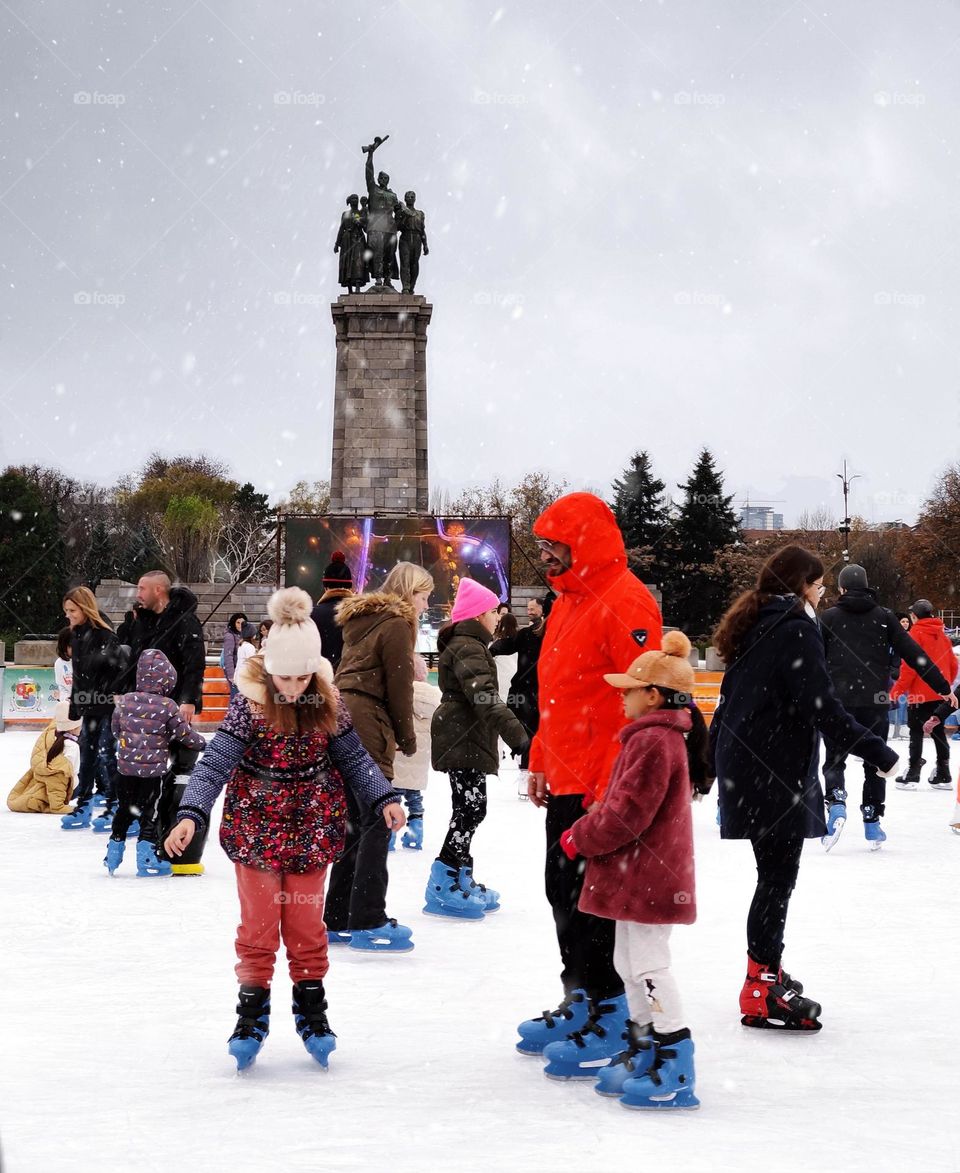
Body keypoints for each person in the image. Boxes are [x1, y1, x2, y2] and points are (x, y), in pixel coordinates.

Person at [163, 587, 405, 1072]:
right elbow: (214, 765)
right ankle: (250, 1016)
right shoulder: (248, 705)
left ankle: (312, 1012)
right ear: (268, 668)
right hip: (256, 828)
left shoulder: (327, 701)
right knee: (257, 928)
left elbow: (354, 758)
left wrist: (384, 797)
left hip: (312, 827)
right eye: (284, 677)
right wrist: (191, 813)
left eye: (302, 677)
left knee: (305, 926)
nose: (293, 688)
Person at [710, 546, 899, 1031]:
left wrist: (710, 762)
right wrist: (878, 751)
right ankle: (762, 985)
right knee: (776, 880)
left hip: (749, 766)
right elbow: (822, 707)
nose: (821, 591)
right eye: (817, 583)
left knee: (771, 877)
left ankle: (763, 969)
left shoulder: (755, 622)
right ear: (802, 584)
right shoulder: (795, 627)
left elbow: (728, 700)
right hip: (775, 770)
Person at [516, 493, 663, 1060]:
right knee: (563, 890)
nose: (546, 556)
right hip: (567, 776)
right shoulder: (564, 603)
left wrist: (611, 787)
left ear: (584, 544)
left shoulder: (626, 602)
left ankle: (611, 1010)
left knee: (592, 898)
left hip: (603, 783)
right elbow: (558, 694)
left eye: (554, 545)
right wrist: (539, 759)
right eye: (543, 546)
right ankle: (580, 995)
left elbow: (639, 703)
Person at [549, 632, 708, 1109]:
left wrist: (581, 835)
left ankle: (675, 1057)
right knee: (627, 963)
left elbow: (627, 815)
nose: (621, 697)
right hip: (634, 874)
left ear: (653, 694)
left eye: (628, 690)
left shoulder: (656, 740)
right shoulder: (651, 738)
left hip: (650, 876)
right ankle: (643, 1044)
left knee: (649, 965)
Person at [324, 561, 433, 953]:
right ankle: (368, 918)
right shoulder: (397, 623)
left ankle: (336, 917)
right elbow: (400, 684)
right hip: (368, 720)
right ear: (408, 592)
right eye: (423, 596)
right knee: (376, 818)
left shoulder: (363, 620)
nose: (425, 605)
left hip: (342, 715)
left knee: (355, 820)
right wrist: (406, 736)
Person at [820, 565, 955, 849]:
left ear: (842, 589)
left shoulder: (829, 618)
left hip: (838, 703)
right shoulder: (884, 618)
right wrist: (943, 688)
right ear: (867, 586)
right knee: (876, 762)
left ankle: (836, 802)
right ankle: (872, 818)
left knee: (834, 758)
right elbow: (915, 656)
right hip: (875, 703)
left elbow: (813, 661)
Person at [426, 579, 529, 919]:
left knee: (470, 808)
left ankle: (460, 876)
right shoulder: (468, 645)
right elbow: (484, 698)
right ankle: (442, 882)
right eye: (492, 612)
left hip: (466, 733)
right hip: (462, 735)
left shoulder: (471, 643)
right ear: (479, 614)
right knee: (470, 810)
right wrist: (520, 736)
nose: (497, 618)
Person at [104, 649, 206, 877]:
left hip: (126, 770)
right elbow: (184, 735)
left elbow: (114, 729)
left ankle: (113, 852)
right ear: (167, 680)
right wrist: (203, 744)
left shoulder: (125, 701)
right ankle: (146, 857)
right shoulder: (167, 706)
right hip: (152, 774)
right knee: (150, 812)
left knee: (124, 809)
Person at [60, 586, 126, 831]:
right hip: (89, 706)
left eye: (72, 610)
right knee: (87, 757)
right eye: (66, 611)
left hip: (107, 706)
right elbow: (79, 675)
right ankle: (84, 803)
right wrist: (76, 706)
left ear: (85, 608)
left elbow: (118, 672)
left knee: (107, 754)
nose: (68, 615)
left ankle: (115, 805)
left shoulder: (105, 635)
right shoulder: (76, 636)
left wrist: (108, 696)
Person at [891, 599, 957, 789]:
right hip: (939, 693)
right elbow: (953, 664)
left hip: (919, 694)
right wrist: (945, 687)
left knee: (916, 732)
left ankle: (913, 772)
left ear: (914, 616)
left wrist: (895, 692)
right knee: (938, 732)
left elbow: (909, 669)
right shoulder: (942, 635)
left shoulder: (914, 634)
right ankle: (944, 773)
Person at [127, 572, 206, 722]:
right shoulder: (142, 622)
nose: (138, 595)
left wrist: (188, 699)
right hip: (143, 704)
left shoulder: (185, 621)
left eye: (142, 589)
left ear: (158, 590)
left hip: (173, 703)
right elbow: (134, 661)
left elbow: (195, 663)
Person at [489, 596, 549, 788]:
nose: (529, 611)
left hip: (544, 691)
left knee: (536, 732)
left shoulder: (554, 633)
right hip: (526, 691)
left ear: (543, 610)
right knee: (527, 731)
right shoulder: (526, 634)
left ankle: (530, 767)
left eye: (533, 608)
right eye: (528, 608)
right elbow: (508, 645)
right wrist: (492, 650)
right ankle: (525, 768)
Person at [390, 653, 440, 852]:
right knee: (414, 797)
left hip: (399, 753)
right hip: (421, 755)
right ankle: (415, 832)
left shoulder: (398, 693)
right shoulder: (434, 696)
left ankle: (389, 835)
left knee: (394, 797)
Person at [7, 702, 81, 814]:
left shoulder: (50, 735)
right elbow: (59, 778)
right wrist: (58, 805)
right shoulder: (72, 747)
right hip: (60, 789)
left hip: (44, 783)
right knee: (78, 775)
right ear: (74, 727)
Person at [309, 552, 354, 671]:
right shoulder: (363, 615)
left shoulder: (311, 615)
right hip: (353, 682)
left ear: (325, 587)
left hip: (320, 681)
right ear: (350, 587)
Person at [334, 193, 368, 293]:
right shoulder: (345, 214)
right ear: (349, 201)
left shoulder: (361, 212)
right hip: (346, 240)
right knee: (347, 262)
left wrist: (360, 222)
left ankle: (357, 286)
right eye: (353, 198)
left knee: (358, 261)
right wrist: (337, 244)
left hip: (358, 238)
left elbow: (366, 227)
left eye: (356, 198)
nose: (355, 200)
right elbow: (341, 228)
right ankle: (349, 288)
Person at [222, 612, 248, 698]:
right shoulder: (230, 636)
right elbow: (228, 655)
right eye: (238, 622)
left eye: (242, 623)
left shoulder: (242, 635)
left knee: (238, 697)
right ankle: (232, 711)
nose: (240, 625)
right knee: (236, 697)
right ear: (233, 623)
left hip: (240, 669)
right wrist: (231, 675)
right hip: (234, 670)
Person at [54, 627, 73, 703]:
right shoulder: (59, 663)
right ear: (64, 646)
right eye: (71, 646)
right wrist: (66, 698)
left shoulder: (85, 660)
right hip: (70, 704)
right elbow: (62, 686)